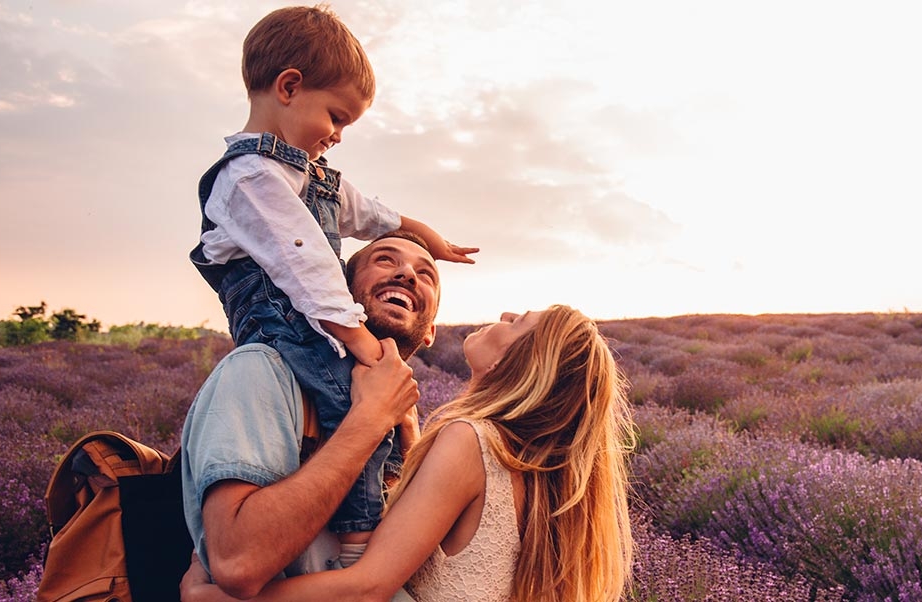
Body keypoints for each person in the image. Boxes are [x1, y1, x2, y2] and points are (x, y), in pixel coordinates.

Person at [187, 4, 477, 551]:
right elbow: (309, 265)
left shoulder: (305, 173)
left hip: (313, 316)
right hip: (279, 320)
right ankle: (360, 537)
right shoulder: (249, 176)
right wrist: (359, 340)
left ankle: (383, 503)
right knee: (355, 405)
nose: (339, 135)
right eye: (337, 117)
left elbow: (366, 212)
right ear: (289, 87)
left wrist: (422, 232)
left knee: (381, 409)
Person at [182, 304, 636, 601]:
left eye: (518, 323)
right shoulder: (530, 465)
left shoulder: (470, 440)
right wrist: (413, 437)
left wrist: (217, 598)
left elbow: (367, 586)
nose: (506, 312)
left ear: (510, 364)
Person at [182, 230, 440, 599]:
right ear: (339, 296)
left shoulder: (410, 424)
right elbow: (239, 563)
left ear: (430, 331)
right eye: (385, 259)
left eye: (425, 274)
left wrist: (404, 433)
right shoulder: (262, 371)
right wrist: (369, 419)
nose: (407, 275)